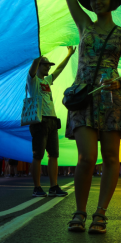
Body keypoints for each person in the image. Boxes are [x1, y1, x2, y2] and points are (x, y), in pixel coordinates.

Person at [62, 0, 121, 234]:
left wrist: (119, 83)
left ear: (113, 1)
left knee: (112, 158)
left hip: (111, 100)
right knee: (85, 157)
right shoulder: (84, 25)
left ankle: (101, 213)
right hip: (83, 97)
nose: (97, 0)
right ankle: (79, 211)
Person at [27, 47, 75, 198]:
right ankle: (37, 188)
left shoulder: (47, 81)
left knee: (53, 155)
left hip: (52, 121)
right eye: (46, 64)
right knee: (38, 156)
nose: (49, 67)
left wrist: (69, 55)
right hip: (39, 121)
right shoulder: (32, 80)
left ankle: (54, 187)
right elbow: (34, 65)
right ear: (39, 65)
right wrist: (38, 53)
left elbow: (59, 69)